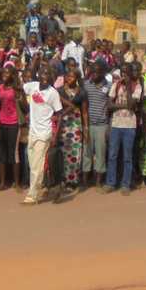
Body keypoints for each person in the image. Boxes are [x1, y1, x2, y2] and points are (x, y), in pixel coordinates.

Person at [21, 69, 63, 205]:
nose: (46, 76)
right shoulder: (32, 86)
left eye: (48, 74)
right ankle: (45, 187)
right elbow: (21, 89)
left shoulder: (53, 93)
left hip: (44, 133)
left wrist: (55, 135)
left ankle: (32, 196)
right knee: (32, 163)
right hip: (32, 131)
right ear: (38, 75)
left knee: (36, 166)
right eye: (43, 73)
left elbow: (60, 114)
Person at [101, 64, 142, 195]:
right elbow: (109, 105)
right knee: (112, 155)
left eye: (126, 72)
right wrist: (123, 106)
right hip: (116, 124)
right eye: (123, 72)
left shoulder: (137, 86)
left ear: (130, 73)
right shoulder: (116, 85)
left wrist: (128, 87)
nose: (124, 75)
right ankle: (110, 183)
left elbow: (132, 104)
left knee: (127, 157)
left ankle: (125, 184)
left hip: (129, 126)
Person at [58, 69, 87, 189]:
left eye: (72, 76)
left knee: (75, 152)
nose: (69, 78)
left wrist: (86, 128)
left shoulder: (82, 92)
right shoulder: (59, 91)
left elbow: (84, 112)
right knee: (63, 153)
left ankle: (73, 180)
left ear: (77, 78)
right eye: (68, 76)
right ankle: (63, 179)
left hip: (75, 124)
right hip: (63, 123)